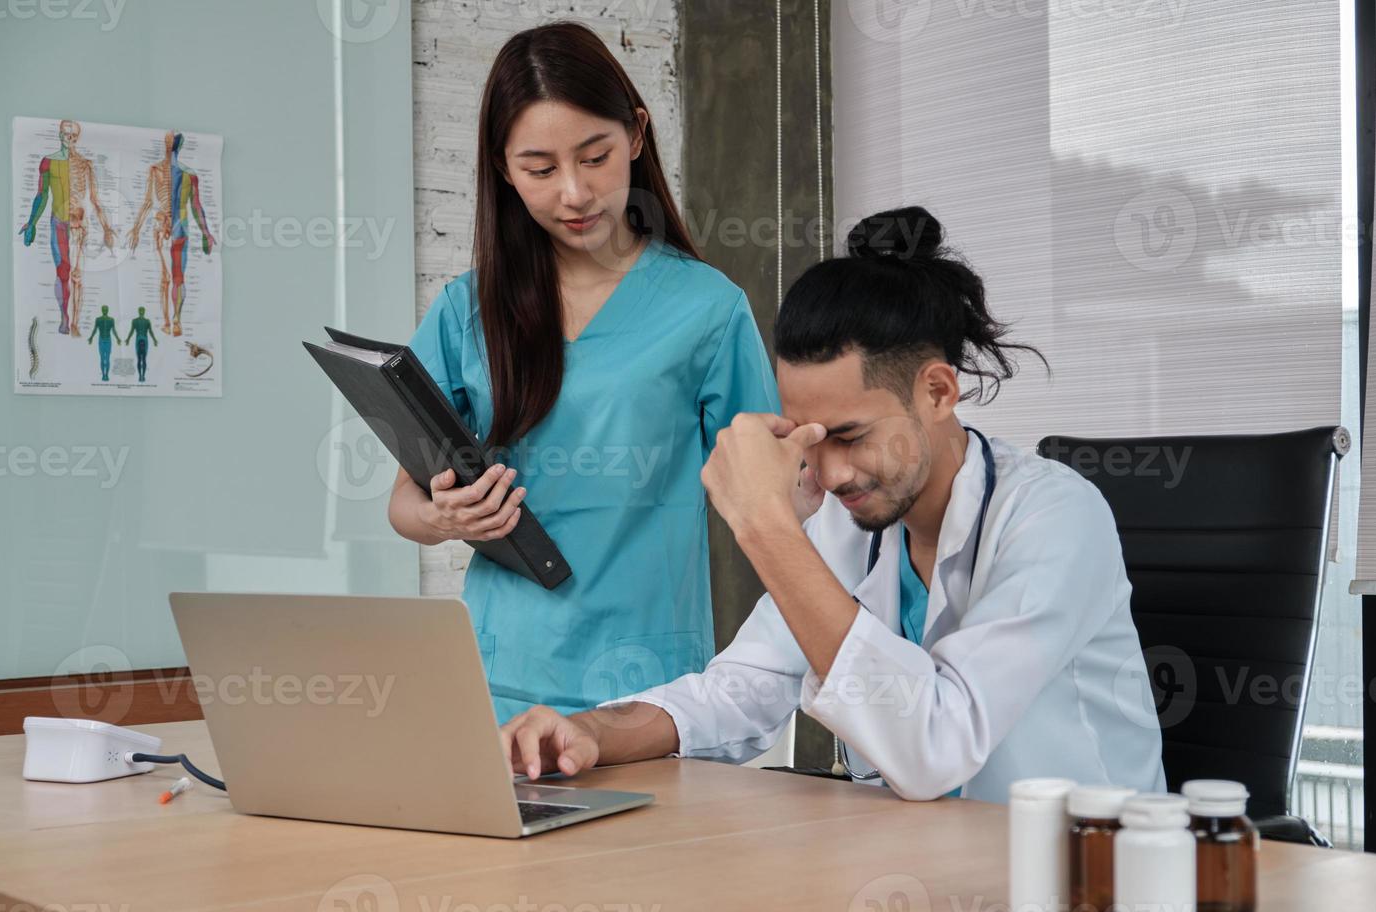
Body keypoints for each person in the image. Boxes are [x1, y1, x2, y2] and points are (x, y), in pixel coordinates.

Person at [497, 206, 1167, 802]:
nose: (829, 471)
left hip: (1084, 882)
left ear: (937, 393)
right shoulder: (857, 524)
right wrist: (587, 730)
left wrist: (766, 525)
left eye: (851, 436)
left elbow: (935, 746)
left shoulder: (1056, 519)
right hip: (927, 871)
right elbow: (740, 690)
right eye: (807, 440)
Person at [389, 22, 779, 721]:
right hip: (496, 678)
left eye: (594, 157)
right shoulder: (465, 311)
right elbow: (403, 507)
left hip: (644, 692)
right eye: (540, 170)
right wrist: (442, 516)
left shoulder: (709, 311)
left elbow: (770, 495)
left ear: (635, 135)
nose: (574, 193)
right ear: (504, 169)